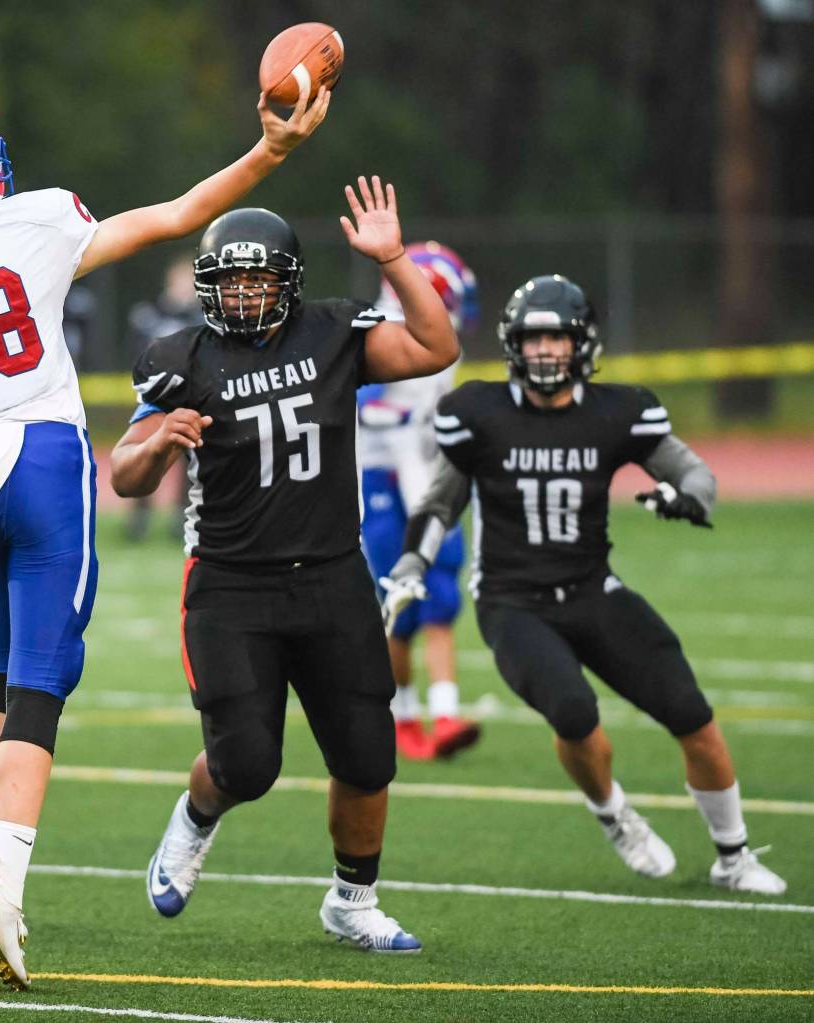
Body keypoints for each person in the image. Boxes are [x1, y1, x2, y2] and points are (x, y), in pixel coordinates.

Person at [0, 88, 330, 989]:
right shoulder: (40, 221)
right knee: (39, 688)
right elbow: (181, 214)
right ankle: (6, 892)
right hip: (42, 463)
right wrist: (270, 151)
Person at [110, 177, 460, 952]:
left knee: (368, 754)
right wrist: (158, 444)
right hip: (231, 584)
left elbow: (437, 345)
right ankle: (197, 816)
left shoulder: (333, 332)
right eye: (226, 280)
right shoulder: (182, 358)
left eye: (256, 278)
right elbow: (124, 473)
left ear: (288, 283)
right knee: (246, 764)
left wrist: (396, 259)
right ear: (207, 287)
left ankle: (352, 900)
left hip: (333, 573)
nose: (240, 294)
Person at [382, 274, 787, 894]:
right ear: (513, 345)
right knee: (575, 714)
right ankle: (612, 812)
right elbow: (440, 501)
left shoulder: (618, 410)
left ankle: (733, 856)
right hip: (512, 602)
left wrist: (688, 499)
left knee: (693, 715)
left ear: (581, 345)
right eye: (533, 339)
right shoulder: (477, 414)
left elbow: (693, 471)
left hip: (594, 589)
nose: (545, 351)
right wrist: (413, 562)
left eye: (556, 338)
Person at [357, 241, 480, 760]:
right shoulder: (372, 333)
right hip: (378, 477)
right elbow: (362, 405)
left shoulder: (437, 338)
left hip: (426, 474)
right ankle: (404, 714)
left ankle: (447, 711)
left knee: (443, 592)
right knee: (397, 606)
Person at [123, 255, 205, 541]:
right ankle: (139, 519)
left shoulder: (201, 316)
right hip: (153, 399)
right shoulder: (149, 314)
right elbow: (136, 353)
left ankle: (180, 518)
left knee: (188, 460)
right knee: (144, 456)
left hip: (188, 398)